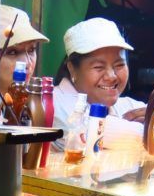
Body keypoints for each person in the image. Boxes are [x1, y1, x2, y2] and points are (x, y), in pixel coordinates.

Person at [51, 18, 147, 150]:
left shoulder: (128, 106)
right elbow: (88, 132)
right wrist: (152, 130)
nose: (111, 76)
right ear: (72, 68)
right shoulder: (53, 103)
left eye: (119, 65)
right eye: (98, 67)